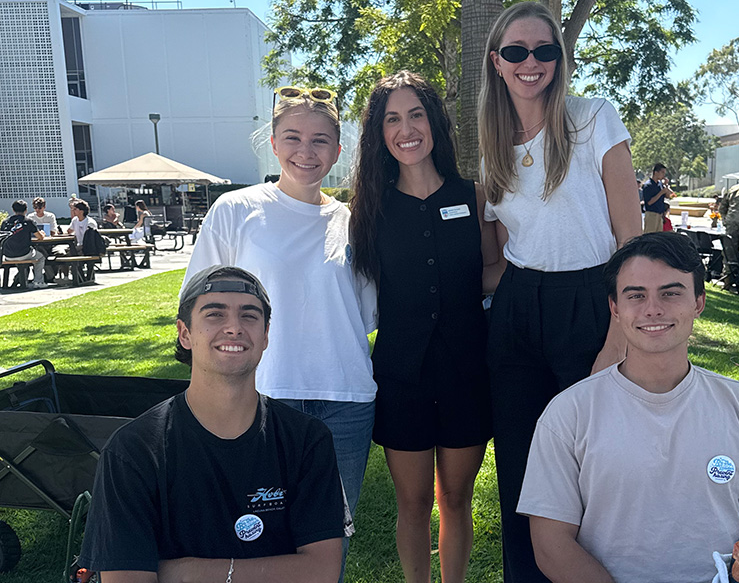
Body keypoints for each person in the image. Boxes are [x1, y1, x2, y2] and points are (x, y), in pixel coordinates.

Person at [517, 232, 739, 583]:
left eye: (671, 292)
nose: (653, 308)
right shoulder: (568, 414)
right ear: (615, 309)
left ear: (699, 302)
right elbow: (550, 544)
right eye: (636, 295)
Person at [182, 86, 376, 580]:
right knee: (254, 532)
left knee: (330, 538)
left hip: (345, 401)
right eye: (293, 137)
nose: (305, 152)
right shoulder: (235, 209)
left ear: (337, 150)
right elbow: (198, 301)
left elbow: (368, 313)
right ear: (273, 143)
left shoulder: (355, 224)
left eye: (320, 141)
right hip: (261, 396)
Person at [477, 1, 642, 582]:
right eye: (517, 52)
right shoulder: (491, 147)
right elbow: (494, 258)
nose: (531, 62)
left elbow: (630, 237)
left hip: (591, 299)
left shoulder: (593, 118)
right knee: (522, 465)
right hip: (518, 307)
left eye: (545, 50)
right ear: (497, 62)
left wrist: (619, 337)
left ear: (559, 58)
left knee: (591, 461)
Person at [78, 265, 346, 583]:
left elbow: (322, 571)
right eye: (215, 314)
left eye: (249, 315)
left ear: (266, 336)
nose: (233, 328)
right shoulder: (133, 450)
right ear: (185, 333)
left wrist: (188, 572)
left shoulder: (306, 440)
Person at [349, 71, 494, 583]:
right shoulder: (368, 209)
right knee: (411, 503)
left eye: (416, 114)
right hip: (401, 376)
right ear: (379, 134)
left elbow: (495, 271)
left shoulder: (474, 197)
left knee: (456, 498)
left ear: (435, 122)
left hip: (466, 373)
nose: (406, 128)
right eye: (392, 118)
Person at [1, 200, 48, 288]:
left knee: (28, 257)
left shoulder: (5, 222)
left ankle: (17, 280)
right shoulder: (28, 221)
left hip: (7, 255)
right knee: (41, 257)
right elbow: (40, 237)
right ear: (26, 210)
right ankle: (38, 282)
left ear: (13, 210)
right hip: (24, 253)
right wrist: (42, 234)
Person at [641, 163, 674, 233]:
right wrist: (661, 193)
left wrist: (666, 185)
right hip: (651, 214)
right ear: (656, 172)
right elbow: (649, 202)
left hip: (660, 214)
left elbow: (668, 196)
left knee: (658, 236)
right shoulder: (648, 185)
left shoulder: (660, 184)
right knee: (650, 235)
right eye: (662, 172)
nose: (663, 175)